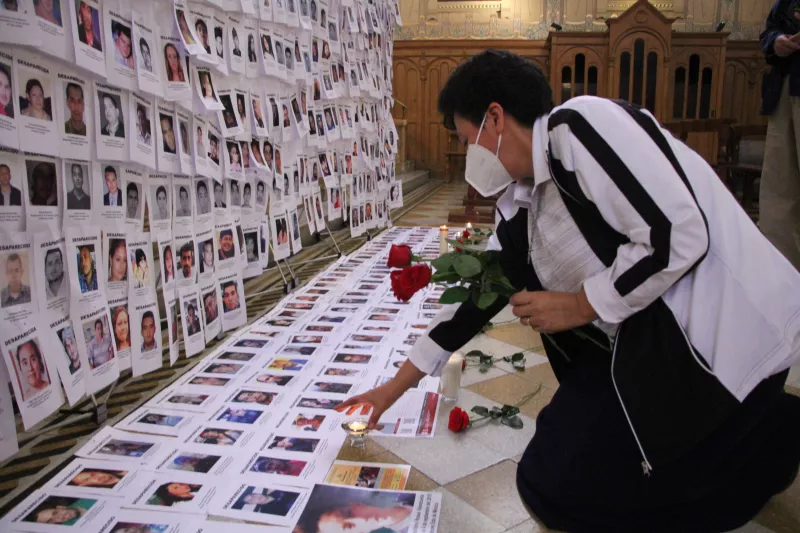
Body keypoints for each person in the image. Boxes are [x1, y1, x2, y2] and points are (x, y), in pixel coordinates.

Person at [336, 50, 800, 533]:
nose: (467, 153)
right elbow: (476, 303)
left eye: (465, 139)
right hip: (646, 347)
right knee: (553, 475)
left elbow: (679, 235)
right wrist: (391, 391)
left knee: (574, 488)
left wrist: (581, 304)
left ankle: (766, 430)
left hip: (715, 342)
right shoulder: (520, 205)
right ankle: (750, 437)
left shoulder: (578, 126)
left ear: (495, 117)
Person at [760, 4, 800, 270]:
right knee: (779, 189)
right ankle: (783, 277)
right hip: (788, 85)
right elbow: (770, 29)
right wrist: (776, 42)